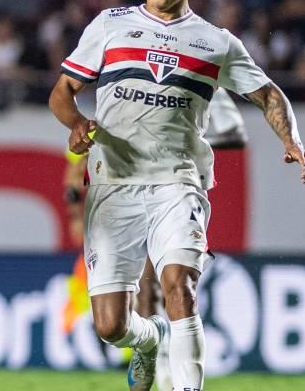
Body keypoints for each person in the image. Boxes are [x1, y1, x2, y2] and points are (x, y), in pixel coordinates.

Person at [49, 0, 305, 391]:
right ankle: (150, 338)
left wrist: (291, 141)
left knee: (180, 285)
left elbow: (269, 95)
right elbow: (62, 93)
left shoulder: (215, 42)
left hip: (179, 182)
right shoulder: (110, 25)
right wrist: (75, 123)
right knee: (111, 326)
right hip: (113, 185)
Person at [62, 87, 248, 391]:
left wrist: (190, 138)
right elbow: (74, 173)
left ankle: (168, 369)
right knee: (116, 318)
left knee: (159, 286)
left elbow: (232, 134)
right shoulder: (105, 121)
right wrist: (73, 212)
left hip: (168, 195)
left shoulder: (185, 91)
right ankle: (152, 341)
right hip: (122, 205)